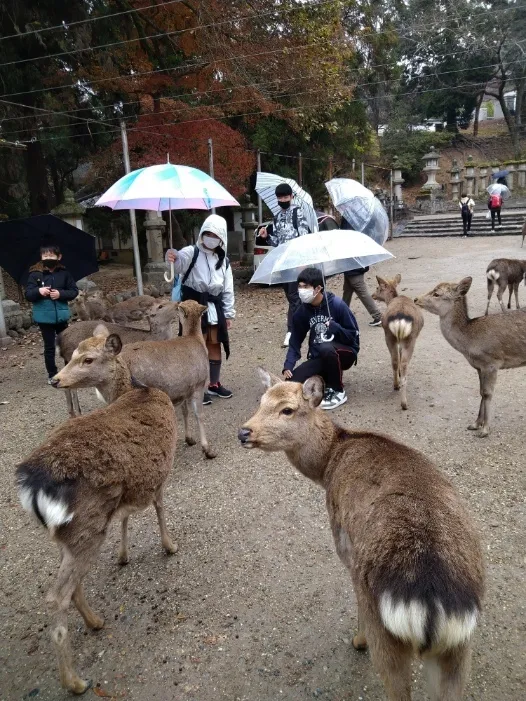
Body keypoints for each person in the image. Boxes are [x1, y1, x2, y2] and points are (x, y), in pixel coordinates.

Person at [166, 214, 235, 405]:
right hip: (193, 308)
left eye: (216, 234)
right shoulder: (190, 252)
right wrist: (172, 257)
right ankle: (196, 388)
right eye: (208, 233)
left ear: (221, 238)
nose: (211, 237)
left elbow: (228, 289)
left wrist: (229, 313)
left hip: (214, 307)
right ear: (202, 233)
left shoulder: (224, 261)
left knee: (214, 343)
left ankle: (214, 384)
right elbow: (179, 265)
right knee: (195, 347)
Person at [282, 267, 359, 410]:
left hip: (345, 353)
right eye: (300, 286)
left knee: (326, 348)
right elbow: (295, 341)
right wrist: (289, 364)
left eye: (306, 287)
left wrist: (336, 328)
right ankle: (326, 378)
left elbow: (353, 337)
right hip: (319, 355)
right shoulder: (302, 311)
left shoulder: (337, 305)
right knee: (290, 384)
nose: (301, 290)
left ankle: (337, 391)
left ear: (318, 288)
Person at [257, 183, 311, 347]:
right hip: (282, 262)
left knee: (294, 296)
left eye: (285, 197)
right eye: (280, 197)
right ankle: (305, 321)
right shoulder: (277, 217)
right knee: (291, 296)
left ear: (291, 197)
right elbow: (278, 242)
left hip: (296, 261)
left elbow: (304, 238)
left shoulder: (298, 213)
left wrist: (303, 261)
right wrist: (266, 237)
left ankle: (292, 331)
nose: (283, 200)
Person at [25, 243, 78, 384]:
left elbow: (74, 291)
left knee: (67, 344)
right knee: (49, 346)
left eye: (51, 255)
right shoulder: (35, 274)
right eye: (45, 255)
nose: (47, 257)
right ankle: (52, 374)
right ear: (41, 257)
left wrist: (60, 294)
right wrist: (39, 291)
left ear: (59, 256)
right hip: (44, 317)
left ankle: (69, 371)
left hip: (62, 316)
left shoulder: (65, 274)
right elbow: (28, 294)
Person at [340, 216, 382, 326]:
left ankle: (378, 316)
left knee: (361, 289)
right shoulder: (360, 215)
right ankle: (340, 315)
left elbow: (347, 239)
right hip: (356, 260)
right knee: (347, 290)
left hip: (353, 260)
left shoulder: (350, 217)